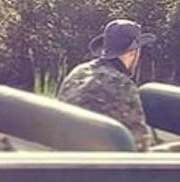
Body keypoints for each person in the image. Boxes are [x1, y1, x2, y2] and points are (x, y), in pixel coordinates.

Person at [57, 19, 156, 151]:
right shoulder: (123, 85)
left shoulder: (78, 73)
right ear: (134, 53)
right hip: (106, 164)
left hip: (66, 158)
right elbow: (140, 146)